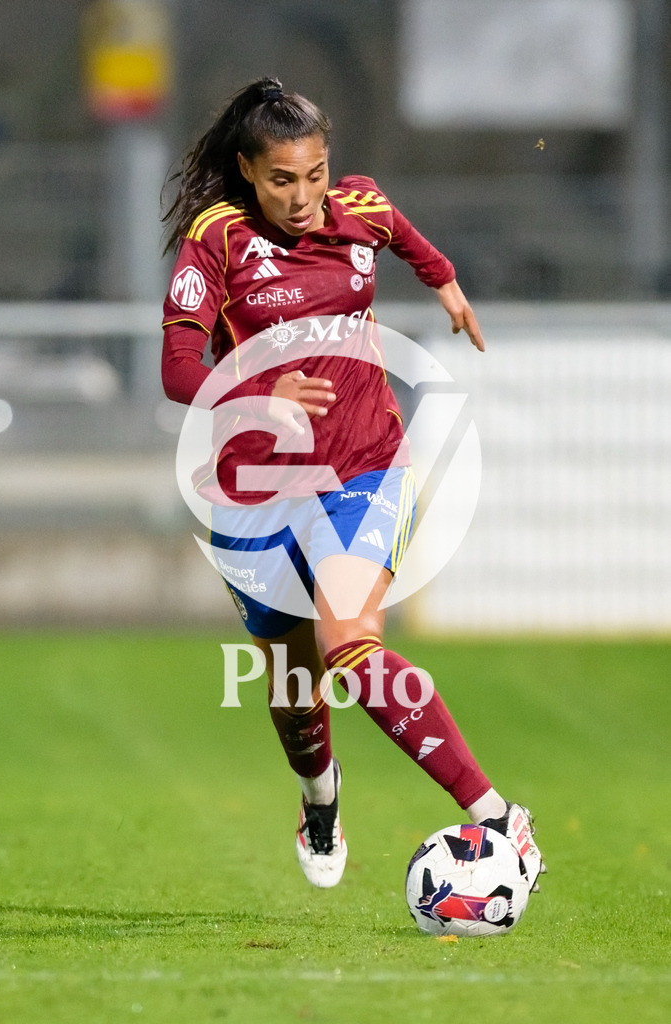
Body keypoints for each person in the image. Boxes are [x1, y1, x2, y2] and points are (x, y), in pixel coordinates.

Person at [161, 77, 544, 891]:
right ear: (247, 171)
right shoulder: (217, 239)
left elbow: (403, 237)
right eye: (280, 180)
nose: (302, 197)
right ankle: (320, 796)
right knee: (296, 692)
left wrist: (442, 280)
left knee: (349, 645)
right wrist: (258, 393)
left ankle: (495, 816)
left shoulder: (358, 207)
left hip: (365, 467)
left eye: (315, 174)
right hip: (256, 492)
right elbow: (174, 371)